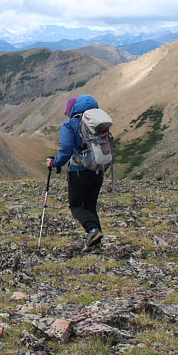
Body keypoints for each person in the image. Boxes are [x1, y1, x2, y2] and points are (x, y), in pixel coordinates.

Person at [47, 94, 104, 253]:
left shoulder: (70, 124)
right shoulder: (96, 123)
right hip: (98, 170)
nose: (67, 115)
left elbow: (66, 151)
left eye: (67, 112)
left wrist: (54, 163)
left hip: (79, 172)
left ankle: (93, 231)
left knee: (76, 206)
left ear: (71, 110)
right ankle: (96, 245)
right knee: (90, 206)